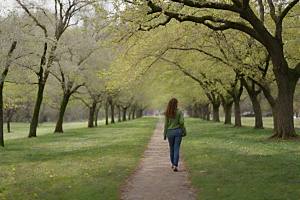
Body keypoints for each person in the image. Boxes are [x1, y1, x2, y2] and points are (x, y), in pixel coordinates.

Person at [163, 98, 187, 172]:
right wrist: (184, 131)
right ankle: (175, 165)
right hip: (178, 131)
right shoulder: (179, 112)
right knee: (177, 148)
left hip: (170, 132)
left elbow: (166, 124)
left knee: (171, 148)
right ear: (176, 104)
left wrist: (164, 134)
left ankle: (173, 163)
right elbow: (181, 122)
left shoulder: (167, 112)